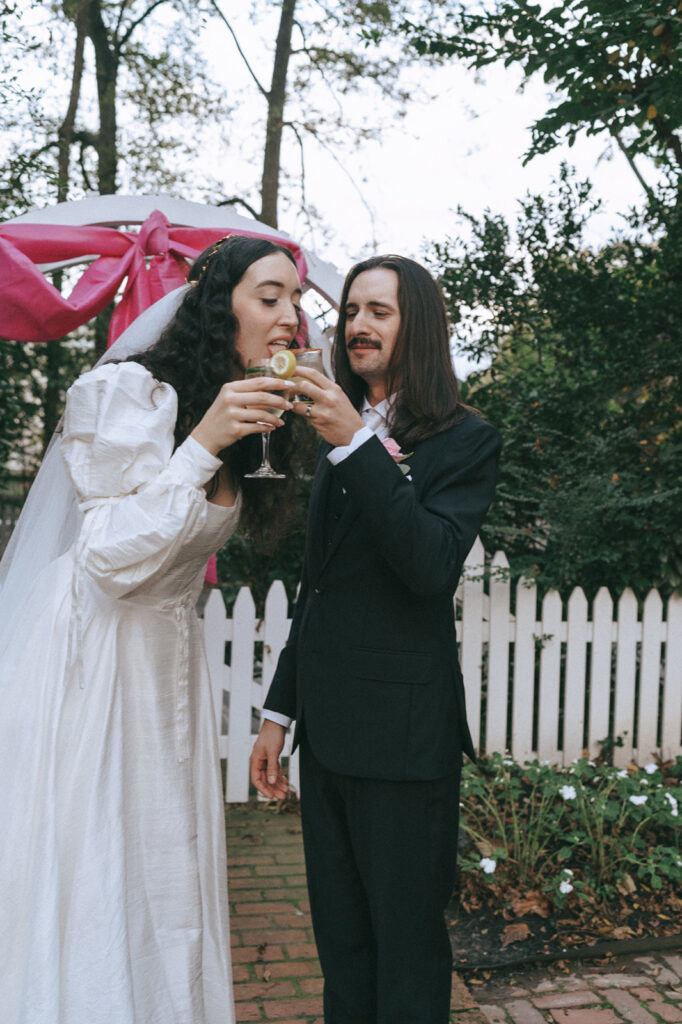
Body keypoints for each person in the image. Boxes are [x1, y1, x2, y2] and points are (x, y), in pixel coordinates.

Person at [0, 235, 302, 1024]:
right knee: (100, 867)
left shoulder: (246, 410)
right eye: (269, 297)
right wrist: (201, 444)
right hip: (95, 664)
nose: (290, 318)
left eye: (296, 302)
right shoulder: (128, 393)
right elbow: (106, 556)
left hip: (166, 665)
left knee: (164, 873)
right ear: (216, 302)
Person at [250, 254, 501, 1024]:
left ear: (416, 326)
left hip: (403, 741)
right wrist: (279, 714)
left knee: (407, 952)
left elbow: (428, 567)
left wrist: (358, 446)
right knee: (344, 950)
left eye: (379, 312)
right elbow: (320, 589)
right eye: (352, 309)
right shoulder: (337, 431)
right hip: (327, 738)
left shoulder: (465, 440)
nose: (357, 324)